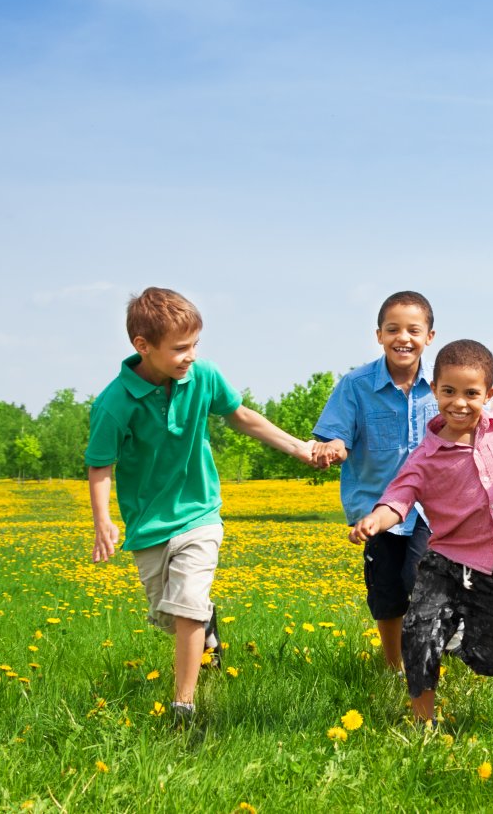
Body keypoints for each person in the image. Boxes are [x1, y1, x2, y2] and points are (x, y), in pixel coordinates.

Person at [86, 287, 322, 727]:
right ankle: (206, 628)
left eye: (195, 344)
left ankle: (184, 707)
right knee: (169, 615)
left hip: (199, 513)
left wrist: (298, 448)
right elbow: (100, 465)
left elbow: (242, 416)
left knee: (189, 601)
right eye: (179, 348)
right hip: (148, 523)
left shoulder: (204, 376)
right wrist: (104, 521)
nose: (190, 356)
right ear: (143, 346)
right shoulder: (114, 403)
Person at [349, 339, 493, 725]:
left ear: (488, 394)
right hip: (444, 560)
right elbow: (398, 498)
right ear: (435, 390)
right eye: (448, 391)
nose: (459, 402)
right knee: (419, 633)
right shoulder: (425, 455)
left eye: (471, 393)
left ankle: (456, 636)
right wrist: (376, 520)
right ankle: (425, 722)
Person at [310, 291, 438, 674]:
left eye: (414, 330)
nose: (404, 337)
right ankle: (394, 666)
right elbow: (336, 437)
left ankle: (428, 657)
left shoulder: (440, 386)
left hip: (431, 510)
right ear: (379, 335)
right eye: (393, 329)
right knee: (388, 591)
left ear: (429, 337)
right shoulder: (355, 385)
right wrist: (332, 447)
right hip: (375, 509)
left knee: (426, 580)